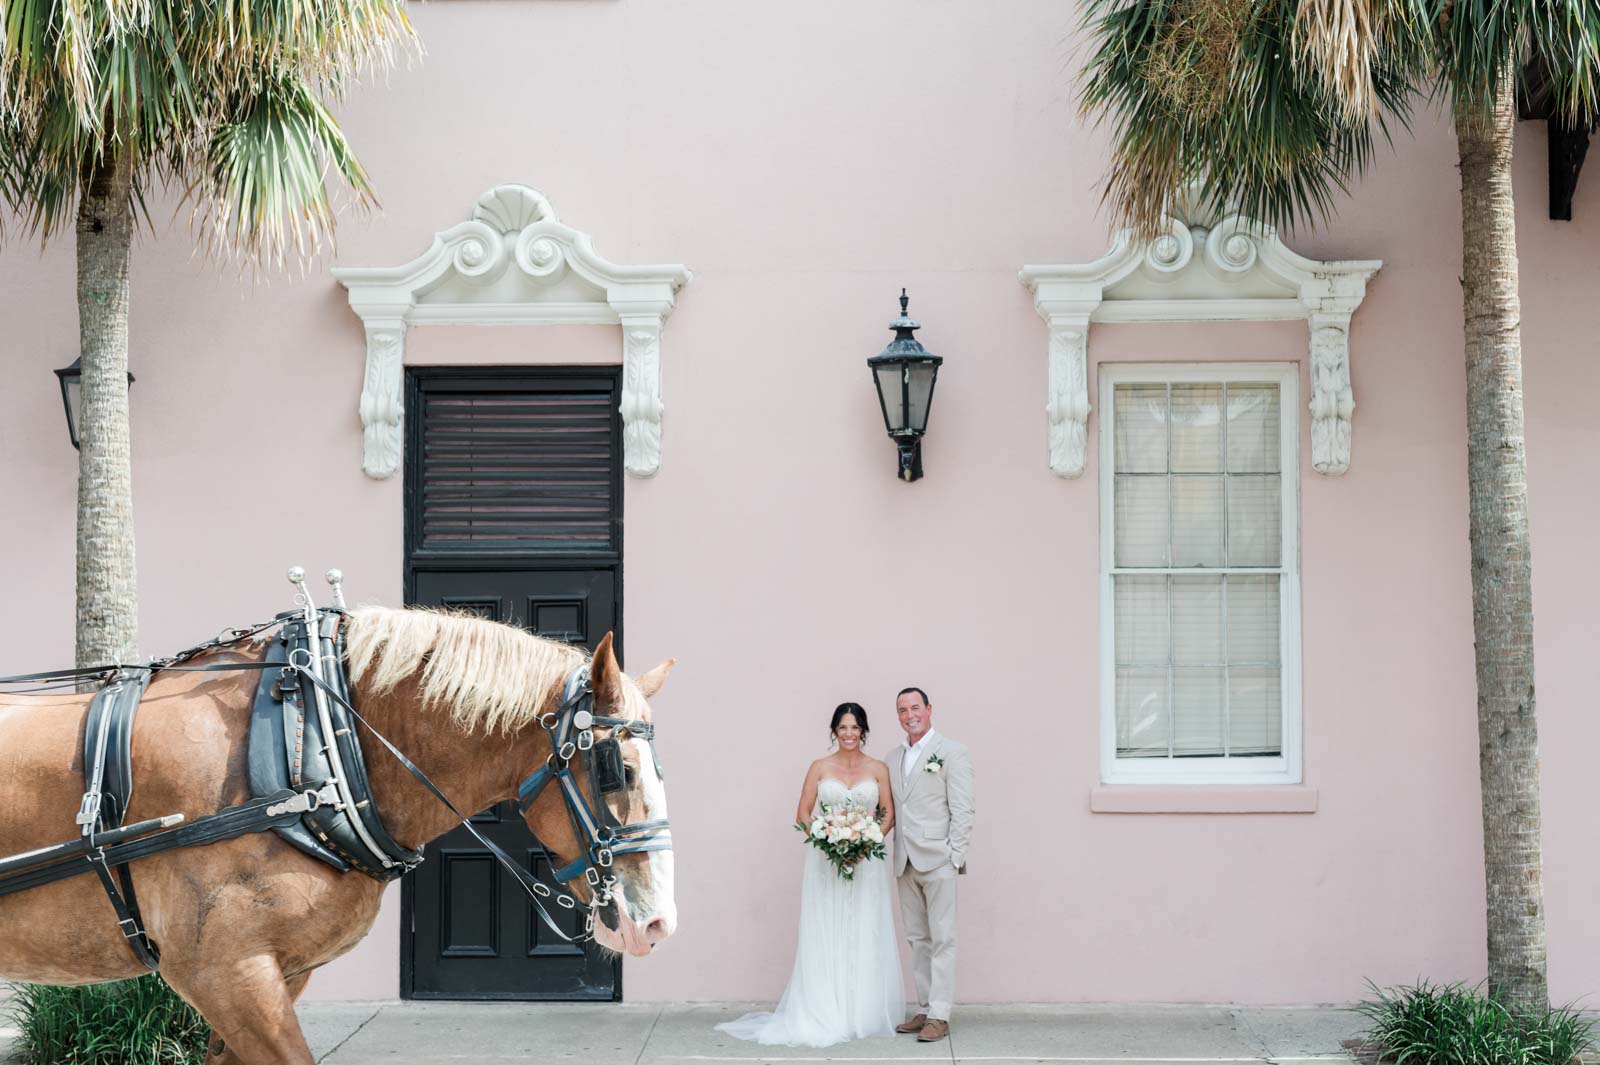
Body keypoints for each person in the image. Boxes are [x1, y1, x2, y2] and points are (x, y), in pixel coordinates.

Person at [716, 703, 904, 1047]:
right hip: (826, 862)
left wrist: (866, 842)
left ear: (863, 731)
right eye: (843, 727)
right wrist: (828, 840)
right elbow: (803, 814)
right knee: (826, 927)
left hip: (867, 862)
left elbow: (887, 813)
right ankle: (824, 1009)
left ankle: (861, 1012)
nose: (849, 733)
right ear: (834, 731)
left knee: (865, 927)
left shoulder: (878, 768)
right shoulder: (819, 767)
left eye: (855, 727)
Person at [887, 686, 974, 1044]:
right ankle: (924, 1008)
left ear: (929, 709)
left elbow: (963, 808)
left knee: (942, 939)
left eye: (915, 707)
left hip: (939, 860)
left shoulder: (952, 752)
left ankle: (940, 1014)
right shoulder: (892, 757)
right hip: (904, 860)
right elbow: (893, 808)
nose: (910, 715)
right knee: (917, 939)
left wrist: (954, 857)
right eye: (902, 710)